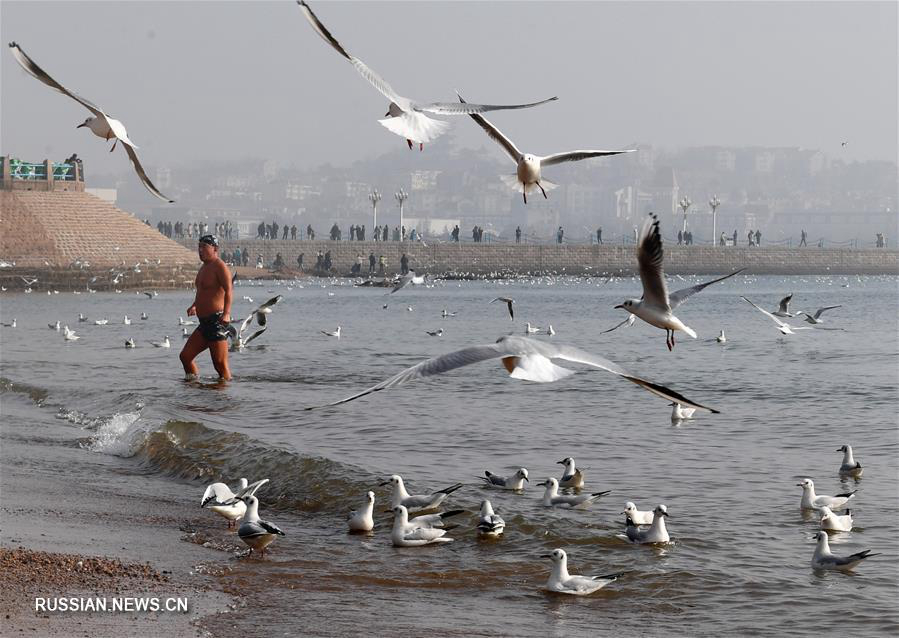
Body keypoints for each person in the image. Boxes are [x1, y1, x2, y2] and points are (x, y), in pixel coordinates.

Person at [180, 235, 233, 381]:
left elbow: (229, 291)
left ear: (215, 249)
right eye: (199, 246)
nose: (200, 250)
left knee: (220, 365)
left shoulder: (220, 266)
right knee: (185, 356)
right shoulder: (204, 268)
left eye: (204, 246)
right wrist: (195, 305)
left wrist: (227, 313)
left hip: (217, 322)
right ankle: (193, 387)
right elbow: (202, 292)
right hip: (204, 324)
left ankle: (224, 396)